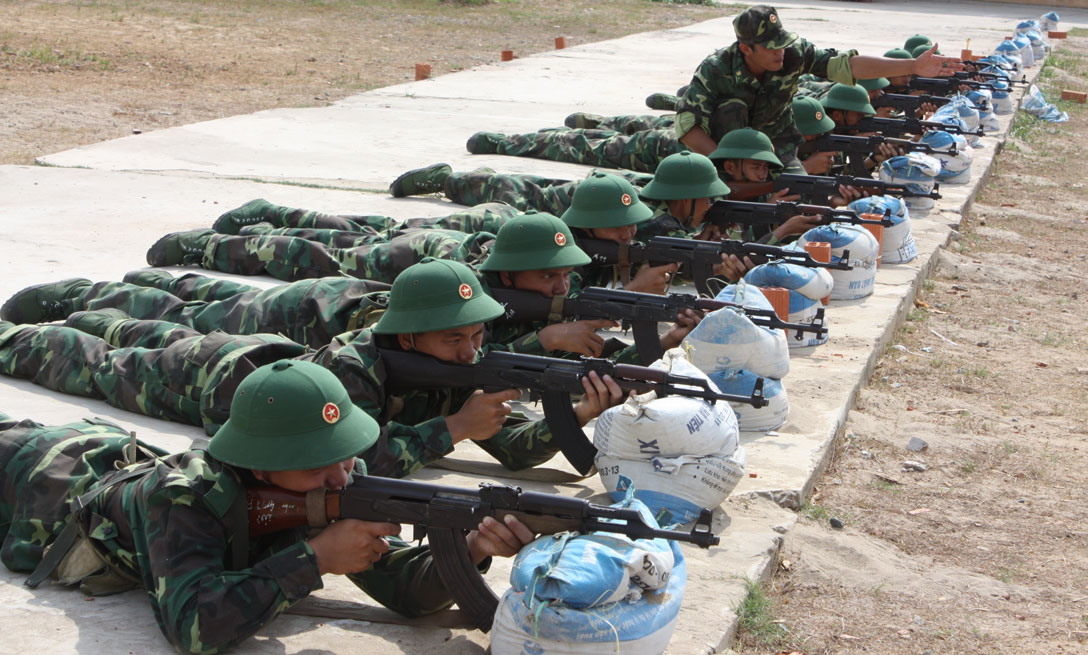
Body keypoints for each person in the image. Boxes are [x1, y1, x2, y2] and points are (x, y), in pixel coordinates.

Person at [0, 361, 535, 654]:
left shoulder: (342, 478)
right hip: (38, 481)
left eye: (345, 454)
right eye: (315, 463)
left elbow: (404, 590)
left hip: (103, 455)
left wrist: (468, 547)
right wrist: (314, 560)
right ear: (259, 465)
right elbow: (194, 627)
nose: (341, 474)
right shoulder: (184, 496)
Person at [0, 259, 623, 478]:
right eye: (454, 338)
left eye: (478, 335)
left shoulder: (452, 369)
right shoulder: (358, 369)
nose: (470, 352)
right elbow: (342, 464)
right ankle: (43, 317)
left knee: (143, 329)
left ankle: (86, 306)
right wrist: (452, 430)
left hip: (268, 361)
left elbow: (511, 446)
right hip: (217, 381)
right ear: (406, 335)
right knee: (100, 358)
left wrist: (578, 411)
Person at [673, 5, 963, 173]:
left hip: (777, 144)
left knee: (798, 198)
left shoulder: (795, 53)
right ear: (745, 48)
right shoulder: (716, 68)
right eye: (772, 48)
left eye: (783, 44)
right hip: (725, 151)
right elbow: (687, 125)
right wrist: (727, 166)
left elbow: (847, 66)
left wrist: (912, 66)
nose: (781, 53)